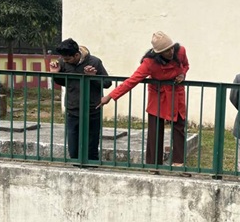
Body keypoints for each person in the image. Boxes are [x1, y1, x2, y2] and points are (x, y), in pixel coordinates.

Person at [98, 31, 189, 167]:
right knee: (155, 130)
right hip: (157, 94)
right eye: (166, 51)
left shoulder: (180, 51)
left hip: (176, 93)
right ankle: (153, 165)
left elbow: (186, 65)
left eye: (171, 48)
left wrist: (182, 74)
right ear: (158, 53)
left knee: (179, 128)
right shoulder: (149, 63)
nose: (170, 52)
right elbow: (132, 80)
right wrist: (110, 96)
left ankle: (179, 164)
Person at [50, 38, 110, 161]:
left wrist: (93, 77)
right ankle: (75, 166)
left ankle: (92, 166)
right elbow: (64, 82)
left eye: (68, 59)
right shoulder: (63, 62)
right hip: (73, 108)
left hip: (92, 109)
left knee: (92, 146)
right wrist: (56, 74)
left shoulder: (95, 62)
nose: (65, 61)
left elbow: (107, 83)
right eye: (63, 59)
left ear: (77, 55)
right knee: (73, 148)